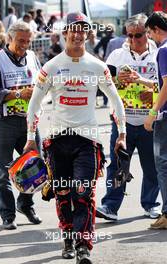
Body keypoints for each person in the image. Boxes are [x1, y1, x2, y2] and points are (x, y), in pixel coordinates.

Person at [23, 12, 126, 264]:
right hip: (57, 139)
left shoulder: (97, 66)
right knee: (63, 192)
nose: (78, 34)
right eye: (74, 30)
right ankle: (68, 239)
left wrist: (121, 133)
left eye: (83, 30)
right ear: (66, 32)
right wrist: (30, 137)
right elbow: (35, 103)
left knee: (83, 193)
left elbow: (115, 101)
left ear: (87, 34)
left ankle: (83, 246)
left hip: (88, 140)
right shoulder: (52, 66)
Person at [96, 13, 160, 222]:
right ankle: (110, 206)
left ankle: (151, 204)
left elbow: (164, 87)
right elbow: (102, 85)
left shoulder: (158, 54)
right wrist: (115, 80)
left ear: (148, 33)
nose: (133, 40)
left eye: (138, 35)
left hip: (150, 121)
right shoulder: (116, 55)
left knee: (151, 165)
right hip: (122, 121)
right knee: (117, 165)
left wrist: (147, 88)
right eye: (129, 35)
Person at [0, 21, 42, 230]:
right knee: (4, 171)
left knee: (35, 167)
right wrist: (18, 93)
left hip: (29, 121)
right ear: (9, 38)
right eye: (21, 41)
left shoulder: (32, 57)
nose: (24, 45)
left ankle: (25, 204)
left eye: (28, 41)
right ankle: (7, 214)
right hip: (3, 122)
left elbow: (43, 83)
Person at [144, 11, 167, 229]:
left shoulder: (163, 50)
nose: (149, 37)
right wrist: (141, 81)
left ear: (156, 30)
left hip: (165, 117)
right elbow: (161, 85)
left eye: (149, 33)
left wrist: (152, 114)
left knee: (163, 164)